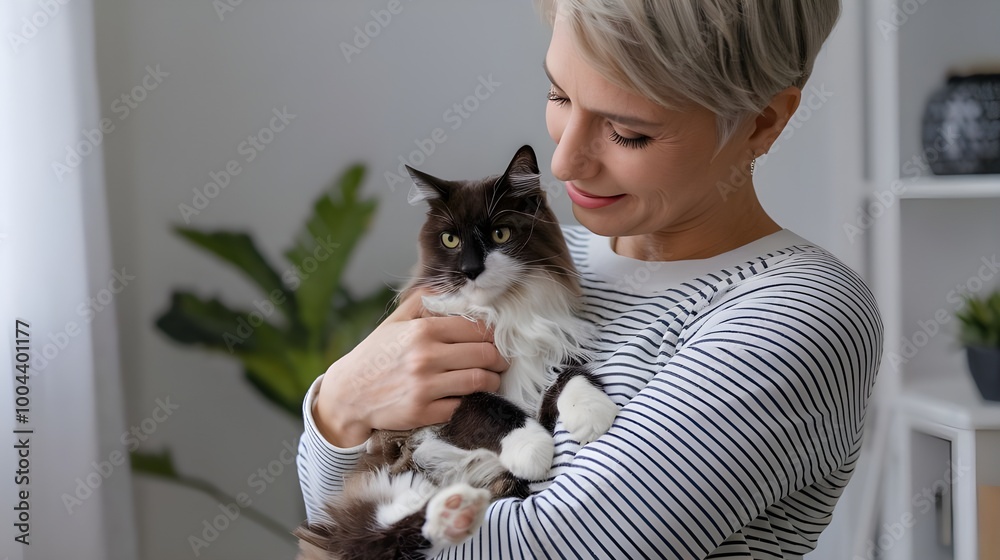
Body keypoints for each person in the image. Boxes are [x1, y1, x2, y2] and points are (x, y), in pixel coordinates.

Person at [296, 0, 884, 557]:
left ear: (761, 123)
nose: (563, 162)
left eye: (628, 133)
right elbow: (336, 518)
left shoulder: (796, 313)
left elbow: (551, 548)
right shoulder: (532, 263)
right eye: (558, 94)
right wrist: (340, 405)